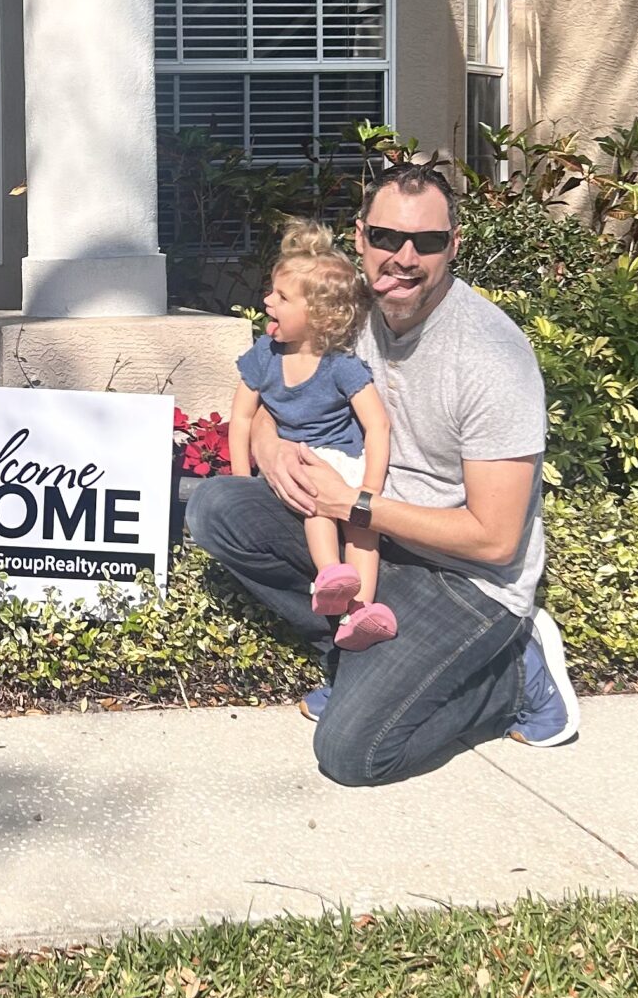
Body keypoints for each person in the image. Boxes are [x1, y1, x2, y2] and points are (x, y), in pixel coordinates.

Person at [186, 165, 580, 785]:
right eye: (386, 237)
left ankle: (511, 675)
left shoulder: (490, 355)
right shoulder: (345, 314)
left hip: (466, 581)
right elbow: (263, 398)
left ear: (452, 245)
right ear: (360, 236)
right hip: (369, 542)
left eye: (425, 242)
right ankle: (356, 653)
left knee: (352, 754)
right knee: (217, 507)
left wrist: (353, 505)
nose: (403, 257)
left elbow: (496, 539)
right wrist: (275, 449)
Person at [228, 223, 395, 650]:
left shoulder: (340, 364)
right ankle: (331, 577)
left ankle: (362, 611)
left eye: (282, 298)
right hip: (299, 464)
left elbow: (377, 425)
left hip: (343, 462)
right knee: (317, 507)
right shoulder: (265, 355)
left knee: (362, 530)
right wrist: (241, 479)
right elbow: (242, 417)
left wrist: (369, 489)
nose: (267, 301)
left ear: (318, 316)